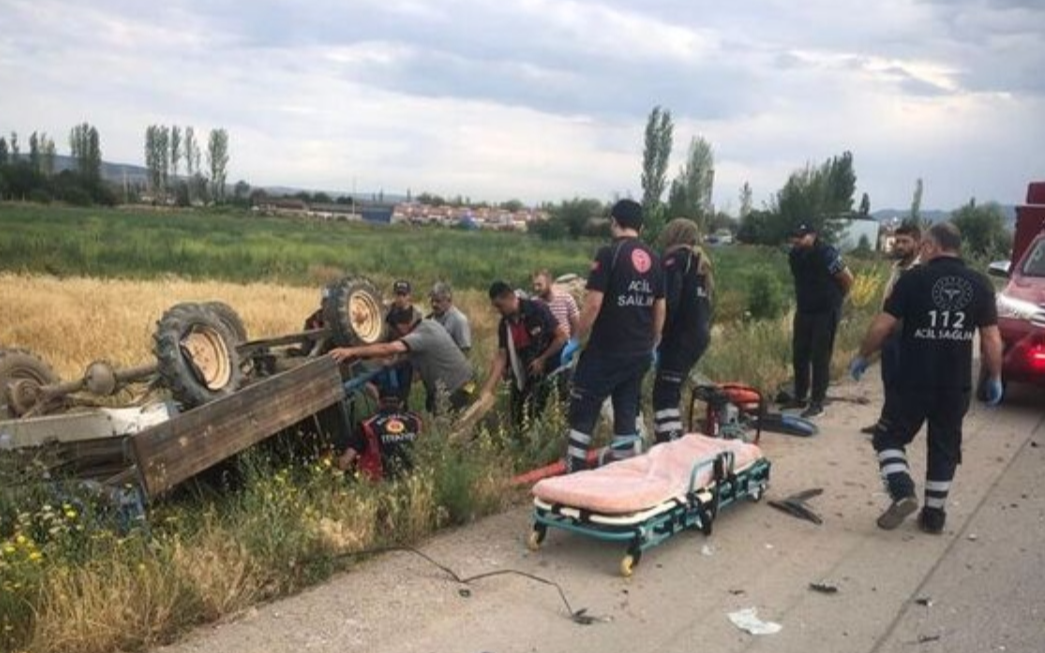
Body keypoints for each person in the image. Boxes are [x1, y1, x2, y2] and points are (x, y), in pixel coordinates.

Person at [849, 222, 1003, 534]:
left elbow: (883, 326)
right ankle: (934, 516)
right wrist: (995, 376)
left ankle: (903, 491)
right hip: (955, 383)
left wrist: (863, 355)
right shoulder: (981, 284)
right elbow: (991, 338)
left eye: (924, 246)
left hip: (913, 380)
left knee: (888, 437)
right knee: (945, 446)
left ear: (931, 246)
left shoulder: (914, 280)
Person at [562, 199, 665, 473]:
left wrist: (575, 340)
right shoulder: (655, 259)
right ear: (641, 227)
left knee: (583, 413)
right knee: (626, 413)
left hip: (606, 352)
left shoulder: (609, 254)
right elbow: (660, 307)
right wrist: (653, 344)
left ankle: (574, 475)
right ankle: (623, 476)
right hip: (639, 354)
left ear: (613, 222)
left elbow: (593, 303)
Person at [330, 306, 476, 414]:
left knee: (443, 423)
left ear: (402, 325)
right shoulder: (430, 324)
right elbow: (412, 355)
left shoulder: (421, 335)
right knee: (431, 406)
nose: (395, 334)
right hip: (468, 381)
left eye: (394, 329)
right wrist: (393, 363)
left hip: (456, 389)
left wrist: (349, 351)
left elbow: (387, 349)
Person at [652, 218, 713, 443]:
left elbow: (670, 301)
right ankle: (672, 441)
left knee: (664, 395)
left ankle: (671, 446)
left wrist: (658, 336)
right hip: (699, 335)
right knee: (672, 390)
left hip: (680, 337)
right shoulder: (700, 261)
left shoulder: (674, 259)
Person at [786, 223, 854, 418]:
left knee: (820, 356)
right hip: (805, 310)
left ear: (814, 235)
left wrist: (836, 299)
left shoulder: (827, 253)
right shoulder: (794, 255)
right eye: (794, 237)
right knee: (799, 354)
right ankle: (799, 396)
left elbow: (847, 278)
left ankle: (817, 402)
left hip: (826, 311)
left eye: (802, 236)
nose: (797, 240)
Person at [480, 281, 568, 428]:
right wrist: (488, 388)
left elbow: (562, 337)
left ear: (510, 297)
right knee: (518, 417)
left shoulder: (537, 309)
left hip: (553, 370)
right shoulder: (505, 325)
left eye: (499, 305)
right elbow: (502, 356)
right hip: (527, 374)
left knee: (543, 417)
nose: (498, 310)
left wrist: (543, 359)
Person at [860, 223, 921, 436]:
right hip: (890, 332)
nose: (901, 246)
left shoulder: (921, 270)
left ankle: (897, 426)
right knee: (889, 380)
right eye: (898, 241)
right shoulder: (897, 267)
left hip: (908, 334)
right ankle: (886, 422)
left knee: (902, 383)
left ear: (917, 242)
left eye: (906, 241)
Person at [336, 389, 423, 482]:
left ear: (379, 402)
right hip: (415, 482)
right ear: (401, 404)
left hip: (381, 486)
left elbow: (344, 462)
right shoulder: (416, 422)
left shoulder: (367, 425)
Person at [532, 269, 580, 340]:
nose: (536, 288)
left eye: (539, 285)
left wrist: (571, 343)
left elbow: (576, 324)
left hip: (566, 344)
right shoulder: (534, 303)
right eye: (534, 285)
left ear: (549, 282)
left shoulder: (566, 298)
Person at [428, 282, 472, 352]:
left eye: (438, 301)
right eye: (432, 301)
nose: (434, 304)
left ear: (449, 301)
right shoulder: (430, 318)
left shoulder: (459, 320)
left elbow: (465, 350)